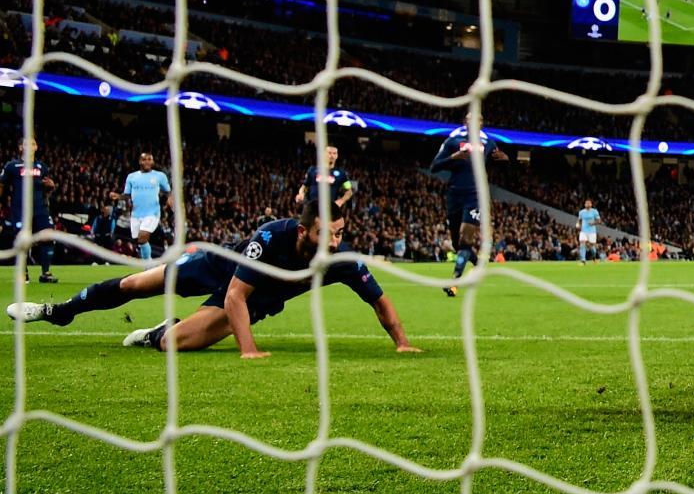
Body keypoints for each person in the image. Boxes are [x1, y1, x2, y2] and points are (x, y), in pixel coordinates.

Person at [10, 213, 418, 357]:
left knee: (174, 345)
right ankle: (58, 312)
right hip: (218, 267)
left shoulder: (342, 258)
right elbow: (236, 291)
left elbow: (379, 301)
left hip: (254, 299)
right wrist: (249, 350)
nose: (334, 242)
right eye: (326, 234)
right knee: (136, 283)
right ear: (302, 231)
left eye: (339, 233)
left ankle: (160, 331)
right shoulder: (270, 237)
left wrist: (400, 341)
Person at [429, 121, 505, 295]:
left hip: (475, 196)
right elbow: (434, 167)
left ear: (481, 123)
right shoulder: (453, 141)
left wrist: (504, 159)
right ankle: (479, 265)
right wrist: (453, 158)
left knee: (465, 240)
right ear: (466, 122)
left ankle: (454, 281)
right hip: (454, 195)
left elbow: (499, 160)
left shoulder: (488, 143)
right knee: (458, 245)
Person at [4, 138, 58, 283]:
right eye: (27, 144)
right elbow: (3, 186)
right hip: (20, 210)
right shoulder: (12, 166)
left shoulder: (42, 167)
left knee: (47, 236)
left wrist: (51, 187)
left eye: (33, 144)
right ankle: (23, 273)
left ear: (36, 147)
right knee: (22, 240)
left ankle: (46, 273)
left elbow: (47, 190)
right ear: (21, 147)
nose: (30, 146)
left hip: (40, 209)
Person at [122, 151, 174, 261]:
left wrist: (169, 198)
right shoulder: (131, 177)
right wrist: (118, 196)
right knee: (139, 240)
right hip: (136, 214)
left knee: (142, 237)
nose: (147, 161)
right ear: (140, 161)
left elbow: (168, 191)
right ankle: (148, 261)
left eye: (149, 159)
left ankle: (148, 264)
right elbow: (126, 195)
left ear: (153, 161)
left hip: (152, 212)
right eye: (144, 159)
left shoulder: (159, 176)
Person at [294, 144, 356, 218]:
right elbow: (304, 187)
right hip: (310, 210)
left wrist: (340, 201)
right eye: (329, 153)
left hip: (328, 211)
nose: (332, 156)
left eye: (334, 153)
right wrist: (301, 194)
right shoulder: (312, 170)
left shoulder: (342, 174)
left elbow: (349, 192)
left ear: (337, 156)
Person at [577, 197, 602, 263]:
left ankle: (594, 257)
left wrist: (593, 223)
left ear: (591, 204)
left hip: (592, 231)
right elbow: (579, 220)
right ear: (584, 204)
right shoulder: (581, 212)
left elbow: (599, 221)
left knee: (592, 247)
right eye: (586, 203)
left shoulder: (594, 211)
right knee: (582, 244)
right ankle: (583, 260)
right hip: (583, 231)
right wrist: (578, 224)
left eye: (589, 203)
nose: (587, 204)